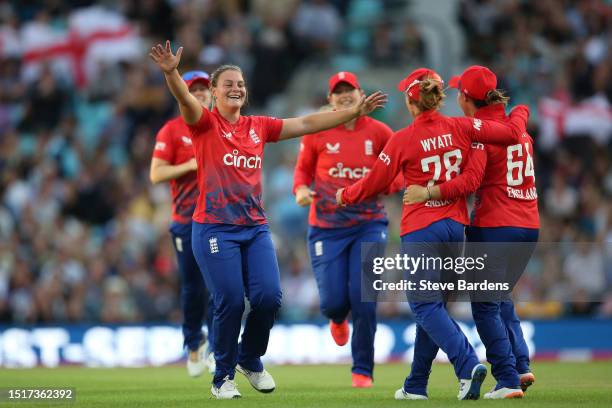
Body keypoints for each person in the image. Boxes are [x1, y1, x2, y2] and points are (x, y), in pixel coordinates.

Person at [149, 41, 386, 399]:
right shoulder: (204, 123)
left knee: (269, 299)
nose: (236, 88)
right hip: (214, 228)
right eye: (228, 84)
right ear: (212, 93)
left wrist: (350, 115)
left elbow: (307, 122)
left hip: (254, 227)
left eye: (240, 83)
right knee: (229, 300)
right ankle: (223, 377)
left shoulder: (258, 126)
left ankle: (250, 359)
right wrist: (171, 72)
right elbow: (184, 99)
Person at [336, 67, 529, 400]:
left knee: (424, 306)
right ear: (437, 98)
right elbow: (509, 135)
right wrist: (520, 112)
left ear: (412, 104)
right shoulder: (464, 126)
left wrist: (345, 195)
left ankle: (468, 365)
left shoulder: (402, 139)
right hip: (457, 229)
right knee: (435, 307)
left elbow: (374, 183)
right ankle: (416, 384)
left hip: (421, 229)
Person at [403, 65, 539, 399]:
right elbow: (518, 115)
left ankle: (506, 379)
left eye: (459, 93)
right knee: (499, 296)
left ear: (466, 98)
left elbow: (472, 181)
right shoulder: (517, 124)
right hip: (529, 227)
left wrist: (430, 191)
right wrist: (520, 111)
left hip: (495, 226)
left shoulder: (479, 135)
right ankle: (520, 364)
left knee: (484, 306)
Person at [293, 71, 402, 388]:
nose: (344, 96)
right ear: (330, 100)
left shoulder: (381, 132)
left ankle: (363, 370)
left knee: (364, 298)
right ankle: (337, 319)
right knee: (333, 303)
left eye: (349, 90)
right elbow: (302, 173)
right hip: (326, 227)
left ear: (360, 93)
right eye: (337, 92)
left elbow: (398, 173)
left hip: (369, 223)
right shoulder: (317, 131)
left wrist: (384, 184)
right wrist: (300, 191)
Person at [150, 70, 215, 378]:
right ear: (182, 94)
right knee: (193, 287)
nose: (200, 94)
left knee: (221, 287)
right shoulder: (171, 130)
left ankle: (218, 347)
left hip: (219, 220)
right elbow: (156, 174)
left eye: (204, 89)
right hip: (186, 220)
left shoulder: (224, 125)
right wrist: (191, 164)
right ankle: (193, 342)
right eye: (194, 90)